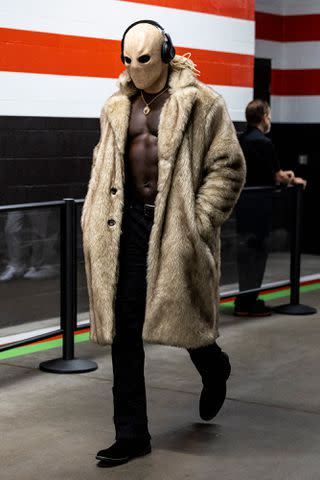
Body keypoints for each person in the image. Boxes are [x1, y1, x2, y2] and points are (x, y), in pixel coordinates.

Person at [81, 20, 246, 467]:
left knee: (186, 314)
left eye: (145, 59)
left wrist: (199, 220)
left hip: (175, 226)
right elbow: (104, 168)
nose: (135, 70)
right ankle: (131, 434)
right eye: (128, 61)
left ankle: (214, 366)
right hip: (126, 228)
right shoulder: (117, 106)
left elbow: (228, 166)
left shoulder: (203, 103)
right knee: (125, 332)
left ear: (167, 53)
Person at [234, 99, 306, 317]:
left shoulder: (241, 139)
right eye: (270, 115)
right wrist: (293, 179)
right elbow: (277, 175)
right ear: (264, 116)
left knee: (246, 253)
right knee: (258, 254)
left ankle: (244, 298)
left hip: (243, 206)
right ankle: (248, 302)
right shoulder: (264, 142)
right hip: (260, 206)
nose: (270, 119)